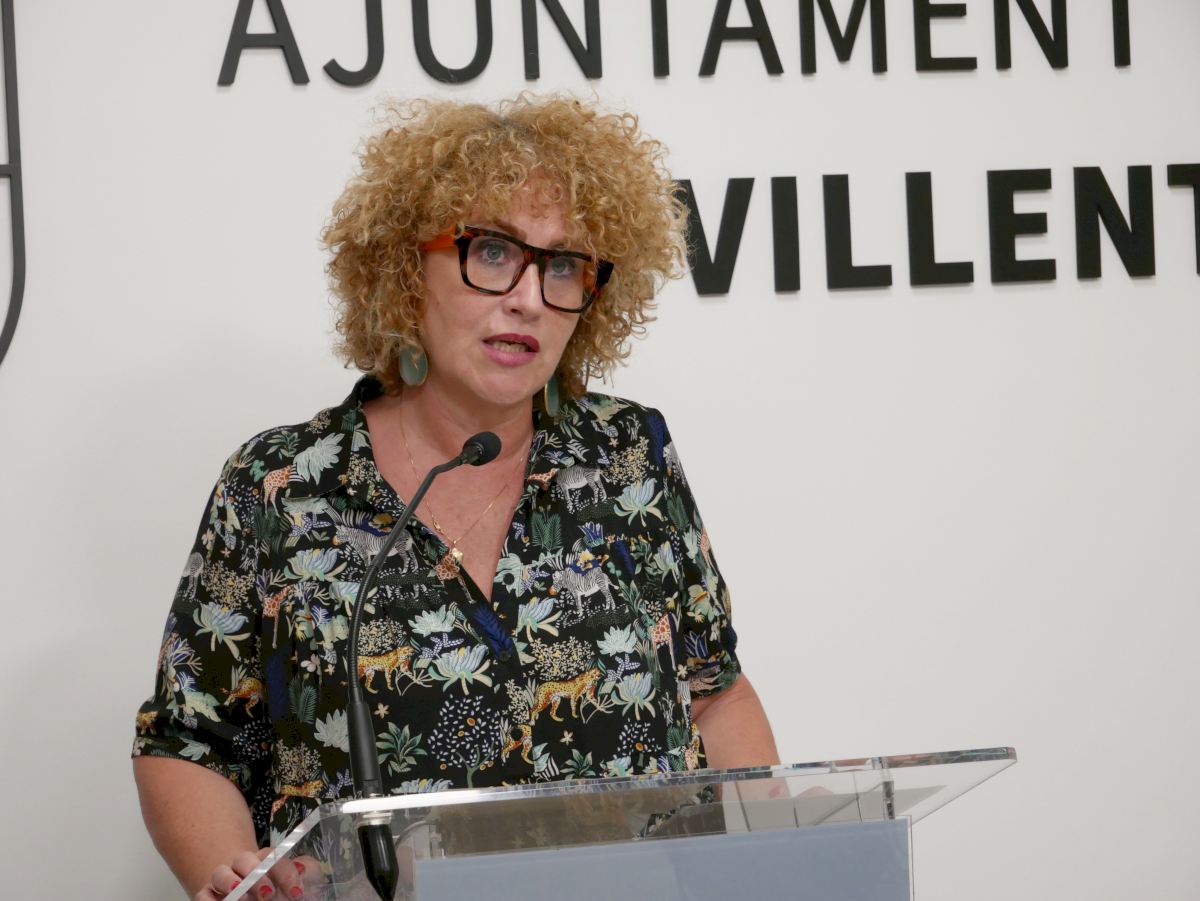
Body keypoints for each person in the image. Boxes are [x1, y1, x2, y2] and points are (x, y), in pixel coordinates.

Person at [132, 94, 779, 900]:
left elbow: (717, 694)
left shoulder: (629, 456)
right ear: (407, 271)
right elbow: (189, 742)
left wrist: (773, 861)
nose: (529, 297)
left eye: (563, 265)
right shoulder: (280, 485)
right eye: (493, 252)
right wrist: (239, 876)